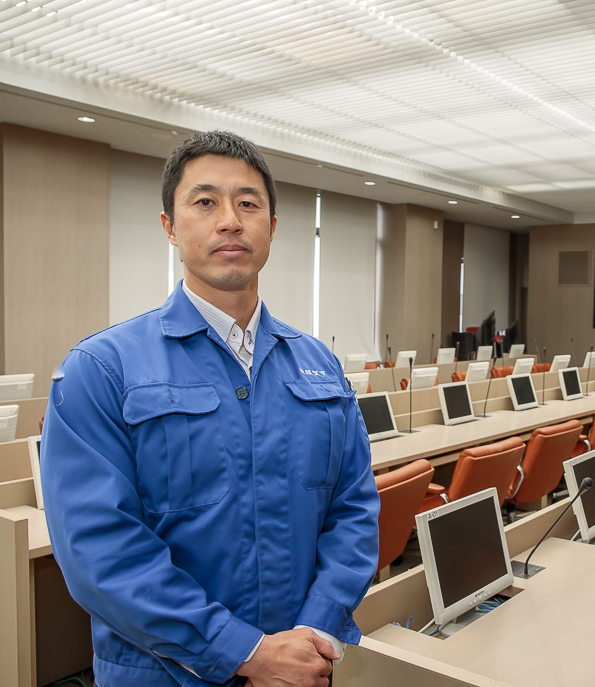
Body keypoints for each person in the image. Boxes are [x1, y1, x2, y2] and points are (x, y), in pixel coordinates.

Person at [42, 131, 380, 687]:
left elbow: (354, 509)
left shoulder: (316, 363)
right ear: (170, 227)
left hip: (302, 670)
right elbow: (99, 551)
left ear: (271, 229)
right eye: (205, 202)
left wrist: (311, 638)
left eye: (249, 203)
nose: (230, 220)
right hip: (163, 672)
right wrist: (243, 651)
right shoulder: (101, 368)